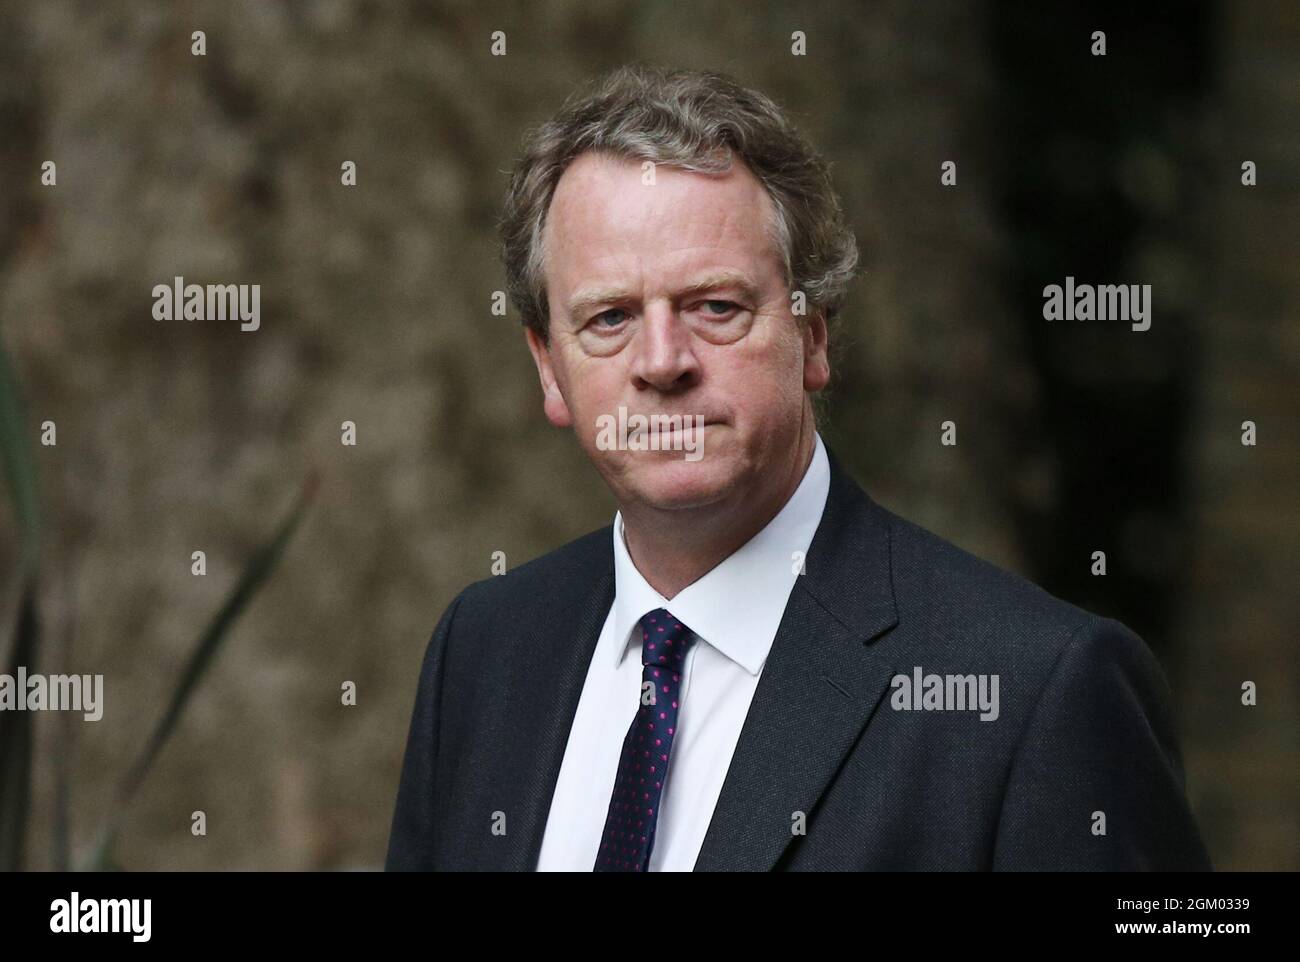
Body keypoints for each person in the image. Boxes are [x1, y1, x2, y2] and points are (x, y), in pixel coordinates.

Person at [385, 64, 1211, 871]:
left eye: (716, 306)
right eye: (609, 317)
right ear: (548, 367)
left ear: (813, 334)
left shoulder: (1038, 688)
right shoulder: (484, 651)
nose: (662, 361)